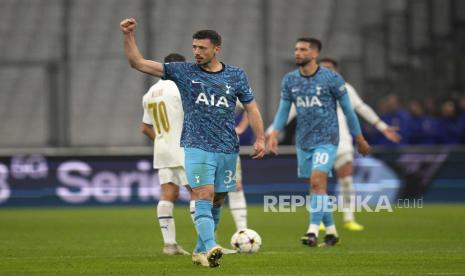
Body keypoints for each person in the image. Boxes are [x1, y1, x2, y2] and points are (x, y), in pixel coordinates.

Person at [121, 18, 265, 268]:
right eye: (194, 47)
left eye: (202, 48)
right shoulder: (184, 71)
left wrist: (260, 138)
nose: (196, 52)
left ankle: (200, 250)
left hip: (227, 148)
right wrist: (129, 35)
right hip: (196, 146)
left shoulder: (236, 75)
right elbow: (138, 63)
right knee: (203, 194)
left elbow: (251, 108)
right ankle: (211, 247)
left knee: (218, 199)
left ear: (216, 49)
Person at [267, 38, 370, 247]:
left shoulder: (332, 79)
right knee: (316, 188)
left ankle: (311, 232)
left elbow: (349, 110)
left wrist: (359, 137)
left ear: (314, 54)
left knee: (316, 182)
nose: (297, 52)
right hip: (303, 142)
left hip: (327, 140)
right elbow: (284, 111)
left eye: (303, 49)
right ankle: (331, 232)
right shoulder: (289, 80)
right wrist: (274, 134)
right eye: (296, 49)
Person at [318, 57, 400, 231]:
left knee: (346, 180)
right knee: (319, 183)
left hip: (342, 141)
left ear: (336, 70)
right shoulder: (308, 89)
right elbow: (290, 110)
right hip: (316, 141)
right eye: (322, 68)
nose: (326, 72)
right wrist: (272, 132)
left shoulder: (345, 88)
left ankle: (349, 219)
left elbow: (361, 107)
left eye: (329, 68)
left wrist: (382, 126)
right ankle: (320, 221)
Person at [141, 53, 191, 256]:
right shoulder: (180, 88)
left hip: (162, 150)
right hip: (184, 148)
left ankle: (170, 245)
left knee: (168, 194)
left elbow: (145, 128)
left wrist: (163, 141)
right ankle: (207, 244)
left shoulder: (150, 92)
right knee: (200, 193)